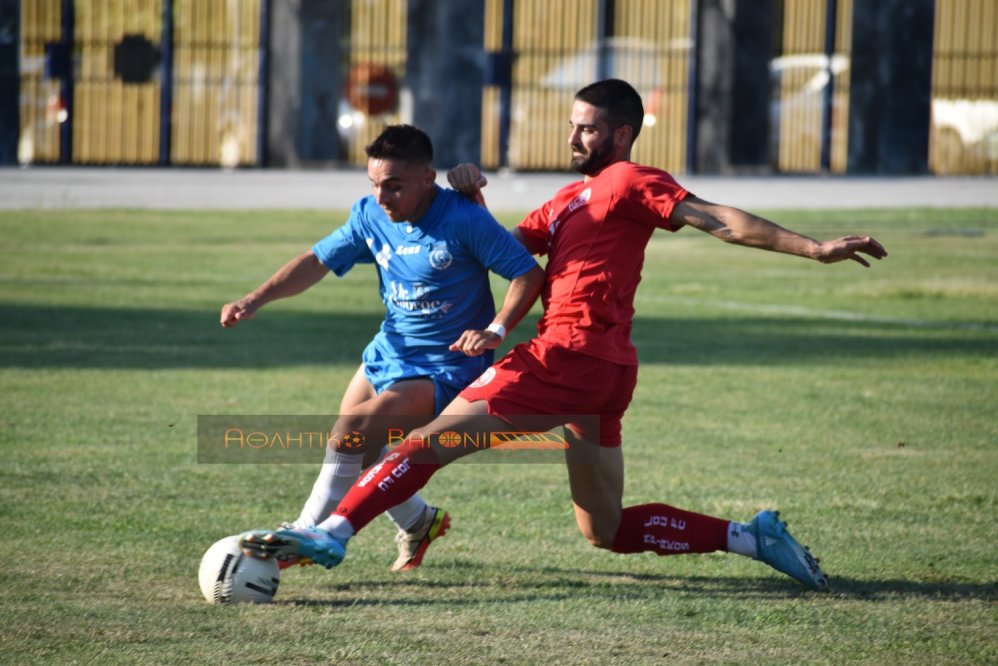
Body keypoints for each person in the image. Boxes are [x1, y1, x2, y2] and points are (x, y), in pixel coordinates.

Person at [240, 80, 887, 589]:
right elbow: (493, 251)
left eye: (588, 128)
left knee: (421, 446)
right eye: (573, 125)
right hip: (607, 374)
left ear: (622, 133)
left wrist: (815, 247)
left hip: (565, 357)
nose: (574, 136)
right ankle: (753, 537)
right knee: (604, 529)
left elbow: (717, 218)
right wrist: (468, 200)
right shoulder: (566, 201)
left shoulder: (631, 181)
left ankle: (331, 535)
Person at [223, 124, 543, 571]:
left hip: (446, 364)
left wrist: (496, 328)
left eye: (394, 186)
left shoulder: (464, 219)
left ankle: (305, 530)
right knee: (360, 446)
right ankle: (419, 521)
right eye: (374, 184)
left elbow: (528, 273)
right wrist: (254, 298)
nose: (382, 196)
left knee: (350, 430)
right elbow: (317, 261)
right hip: (388, 351)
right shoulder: (369, 214)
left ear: (427, 178)